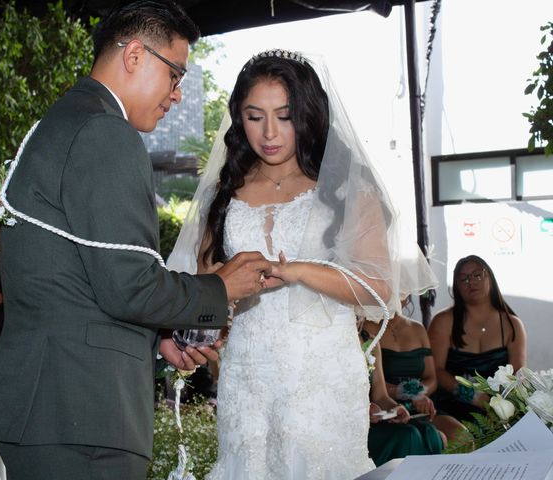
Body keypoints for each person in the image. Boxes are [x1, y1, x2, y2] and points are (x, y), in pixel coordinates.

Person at [0, 2, 272, 479]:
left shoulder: (64, 121)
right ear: (134, 55)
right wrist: (221, 288)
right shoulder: (105, 133)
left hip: (52, 403)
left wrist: (155, 341)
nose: (176, 95)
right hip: (81, 412)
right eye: (175, 75)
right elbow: (129, 285)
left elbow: (76, 278)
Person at [167, 49, 436, 479]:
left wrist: (297, 271)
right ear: (239, 117)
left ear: (307, 115)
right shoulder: (225, 190)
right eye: (255, 117)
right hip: (248, 374)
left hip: (323, 374)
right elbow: (202, 281)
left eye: (285, 116)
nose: (269, 132)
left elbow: (378, 288)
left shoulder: (346, 188)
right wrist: (197, 331)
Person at [428, 255, 527, 432]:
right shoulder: (443, 321)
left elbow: (517, 376)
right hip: (452, 403)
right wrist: (475, 397)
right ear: (456, 286)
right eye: (463, 278)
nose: (471, 282)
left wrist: (499, 406)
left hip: (498, 405)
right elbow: (434, 370)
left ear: (489, 277)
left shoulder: (512, 324)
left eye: (477, 275)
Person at [361, 299, 456, 454]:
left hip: (417, 407)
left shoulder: (417, 329)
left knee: (460, 435)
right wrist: (407, 394)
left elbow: (432, 377)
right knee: (412, 436)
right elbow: (375, 388)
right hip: (385, 409)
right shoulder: (366, 330)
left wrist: (418, 395)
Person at [365, 340, 440, 467]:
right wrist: (364, 408)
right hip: (349, 423)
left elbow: (381, 397)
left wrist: (395, 408)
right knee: (408, 435)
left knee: (429, 432)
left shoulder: (371, 341)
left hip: (375, 418)